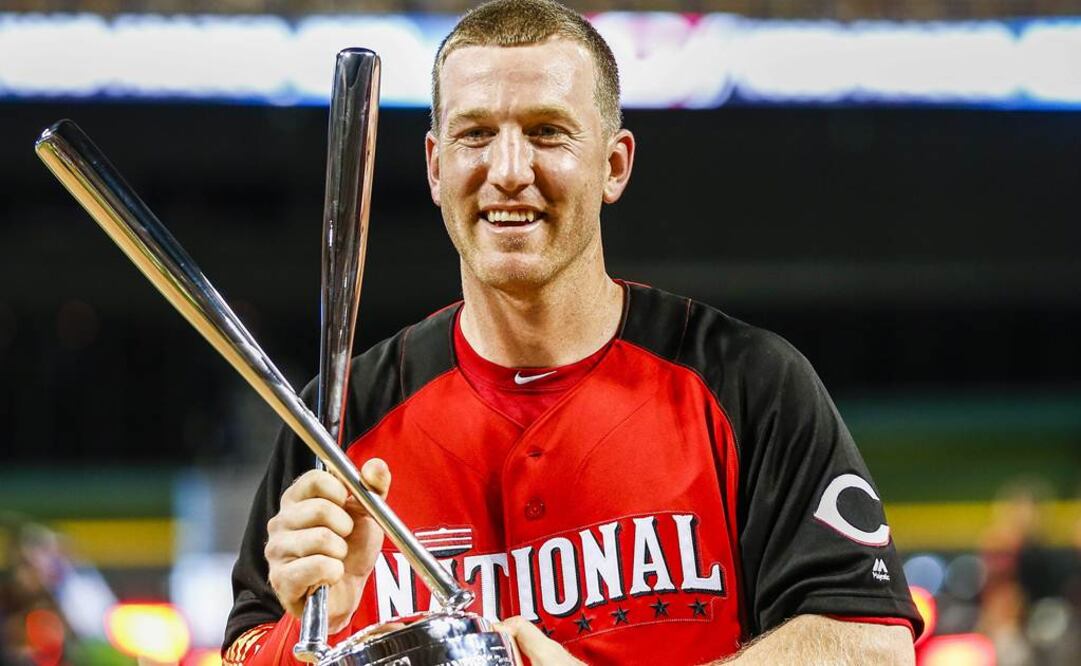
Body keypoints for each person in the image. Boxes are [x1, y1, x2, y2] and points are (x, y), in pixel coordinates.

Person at [224, 0, 922, 663]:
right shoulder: (341, 418)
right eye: (475, 135)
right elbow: (248, 656)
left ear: (613, 164)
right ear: (435, 167)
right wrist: (313, 627)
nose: (507, 171)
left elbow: (868, 643)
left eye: (546, 132)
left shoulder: (745, 382)